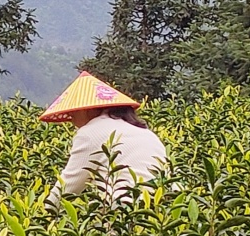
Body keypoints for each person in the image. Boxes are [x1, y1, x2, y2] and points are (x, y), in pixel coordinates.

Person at [41, 72, 167, 211]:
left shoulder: (90, 132)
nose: (71, 117)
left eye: (74, 111)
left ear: (88, 109)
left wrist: (41, 216)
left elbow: (69, 185)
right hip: (164, 205)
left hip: (127, 210)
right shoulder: (145, 133)